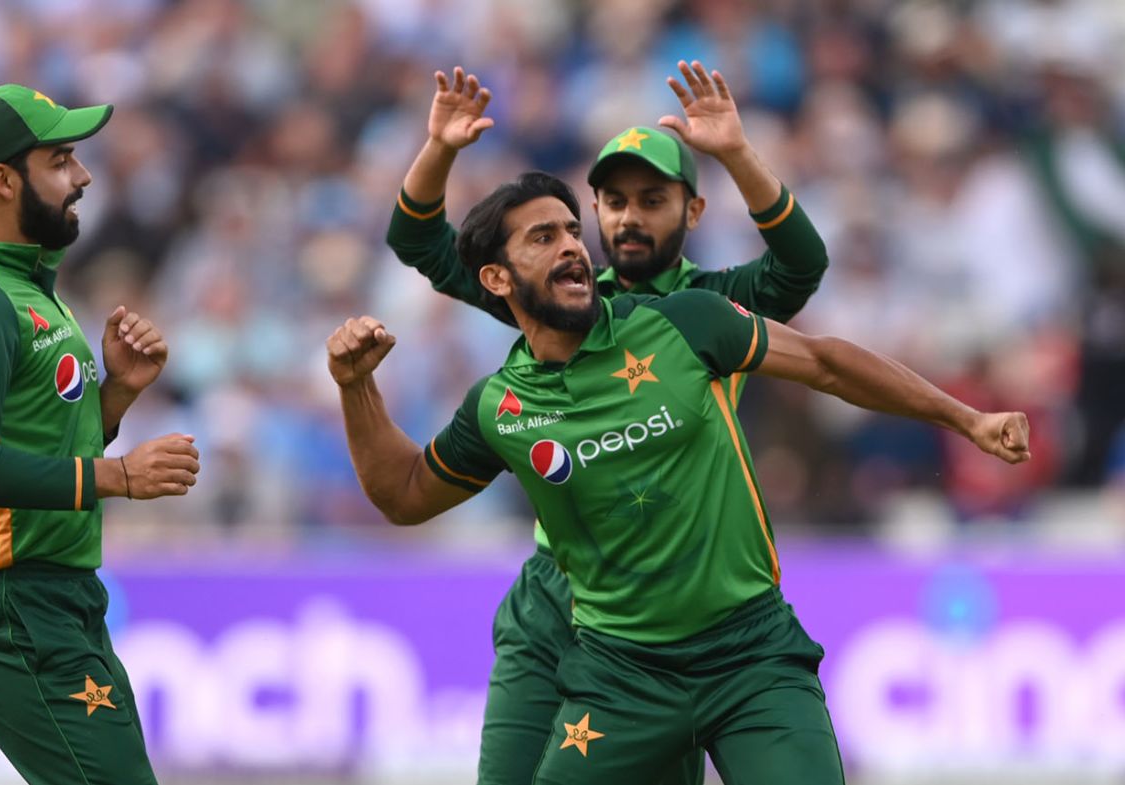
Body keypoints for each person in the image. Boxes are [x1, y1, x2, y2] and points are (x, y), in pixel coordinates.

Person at [328, 167, 1029, 784]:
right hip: (619, 677)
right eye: (541, 237)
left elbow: (826, 362)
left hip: (750, 656)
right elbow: (406, 494)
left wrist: (965, 418)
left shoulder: (684, 324)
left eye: (572, 229)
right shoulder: (499, 407)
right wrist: (358, 389)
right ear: (496, 278)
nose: (572, 243)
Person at [385, 61, 828, 784]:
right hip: (558, 597)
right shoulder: (556, 293)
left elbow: (800, 268)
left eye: (653, 200)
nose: (628, 217)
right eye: (613, 201)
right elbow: (418, 241)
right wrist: (439, 147)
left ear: (692, 211)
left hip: (666, 612)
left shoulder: (715, 306)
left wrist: (739, 155)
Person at [0, 84, 201, 785]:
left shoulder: (30, 290)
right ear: (4, 180)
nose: (83, 177)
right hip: (9, 608)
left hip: (59, 598)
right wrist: (119, 476)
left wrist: (115, 396)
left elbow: (35, 447)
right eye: (62, 159)